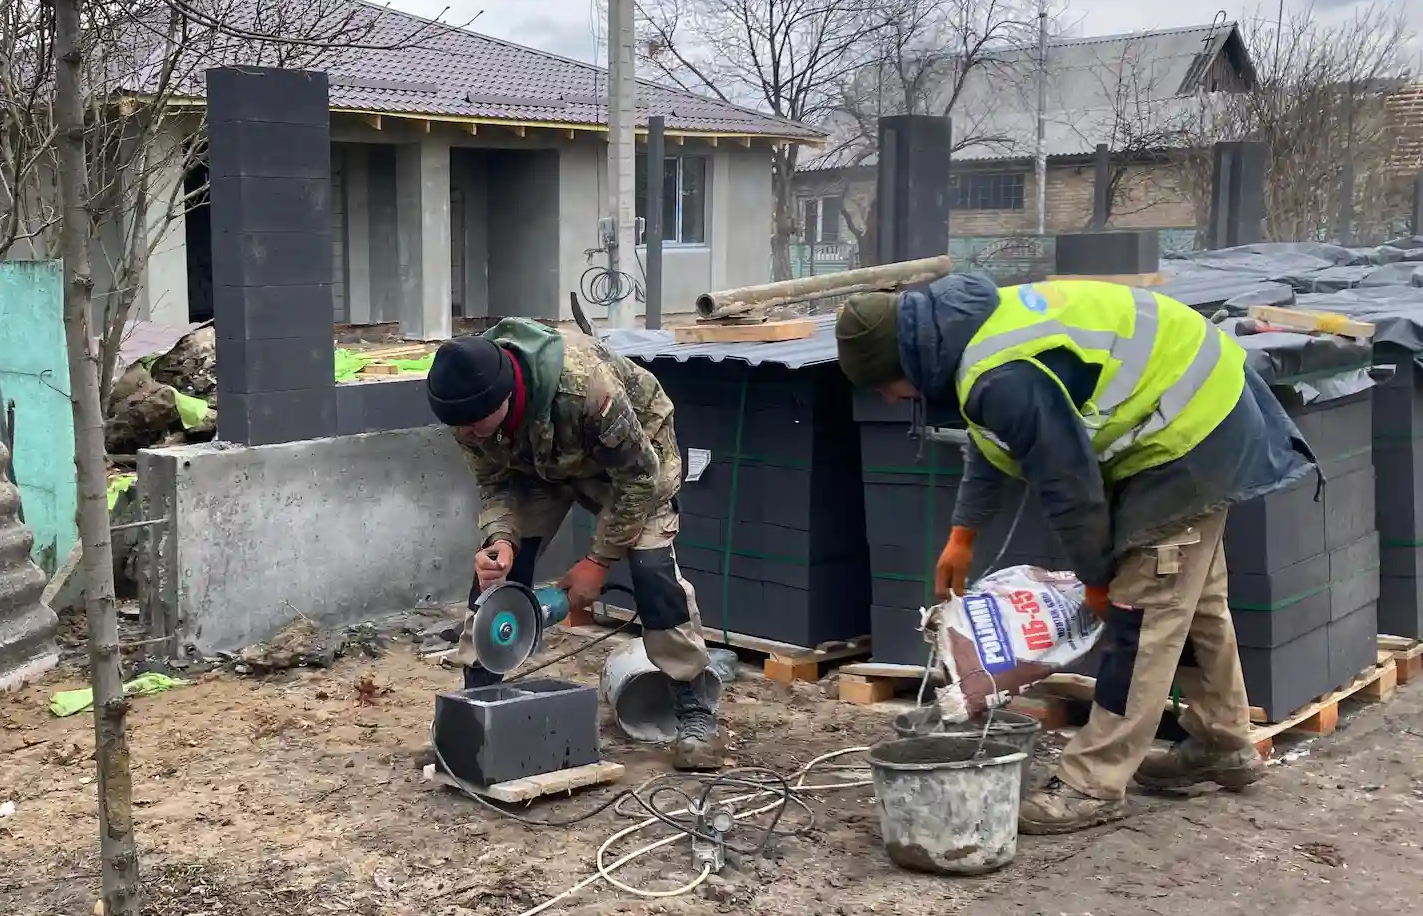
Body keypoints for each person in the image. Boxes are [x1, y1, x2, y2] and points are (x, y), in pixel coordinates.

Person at [833, 273, 1313, 835]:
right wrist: (964, 532)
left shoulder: (999, 374)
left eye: (886, 387)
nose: (889, 400)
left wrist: (1096, 582)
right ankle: (1223, 742)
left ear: (904, 365)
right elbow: (995, 439)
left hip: (1189, 432)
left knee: (1143, 614)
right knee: (1190, 599)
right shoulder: (964, 337)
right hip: (1195, 405)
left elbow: (1072, 488)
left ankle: (1093, 784)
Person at [425, 318, 722, 770]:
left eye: (472, 426)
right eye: (458, 427)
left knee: (652, 574)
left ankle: (693, 709)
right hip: (542, 466)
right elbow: (494, 483)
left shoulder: (587, 389)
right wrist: (500, 539)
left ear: (505, 396)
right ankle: (476, 713)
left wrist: (598, 561)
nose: (464, 435)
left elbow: (638, 477)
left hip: (636, 462)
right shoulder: (468, 408)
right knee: (497, 576)